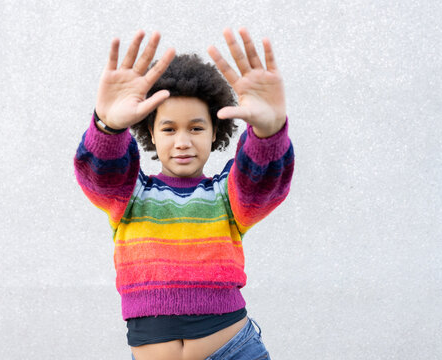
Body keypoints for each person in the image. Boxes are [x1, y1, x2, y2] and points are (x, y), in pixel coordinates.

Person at [73, 27, 294, 360]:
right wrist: (109, 126)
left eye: (196, 127)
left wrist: (269, 131)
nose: (182, 141)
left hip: (235, 350)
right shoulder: (130, 196)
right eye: (168, 128)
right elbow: (101, 173)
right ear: (150, 131)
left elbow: (261, 182)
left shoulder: (226, 196)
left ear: (214, 131)